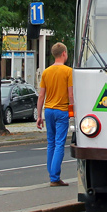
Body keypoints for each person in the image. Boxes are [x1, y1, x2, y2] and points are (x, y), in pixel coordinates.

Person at [35, 42, 74, 187]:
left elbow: (41, 96)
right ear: (64, 53)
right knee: (59, 144)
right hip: (62, 111)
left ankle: (52, 174)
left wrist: (39, 115)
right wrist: (73, 112)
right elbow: (71, 95)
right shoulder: (68, 71)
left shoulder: (46, 72)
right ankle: (55, 177)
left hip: (49, 110)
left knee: (50, 143)